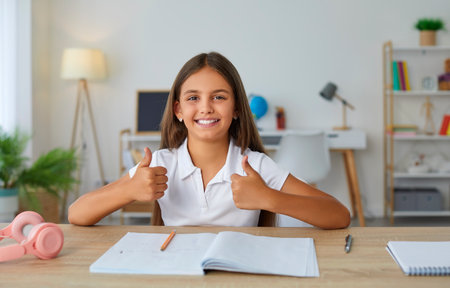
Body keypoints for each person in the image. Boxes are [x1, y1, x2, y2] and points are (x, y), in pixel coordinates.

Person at [68, 52, 350, 229]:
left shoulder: (255, 166)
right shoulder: (161, 163)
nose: (206, 108)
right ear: (178, 110)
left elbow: (338, 215)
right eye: (193, 98)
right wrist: (128, 190)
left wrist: (269, 197)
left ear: (237, 108)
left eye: (219, 97)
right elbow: (77, 214)